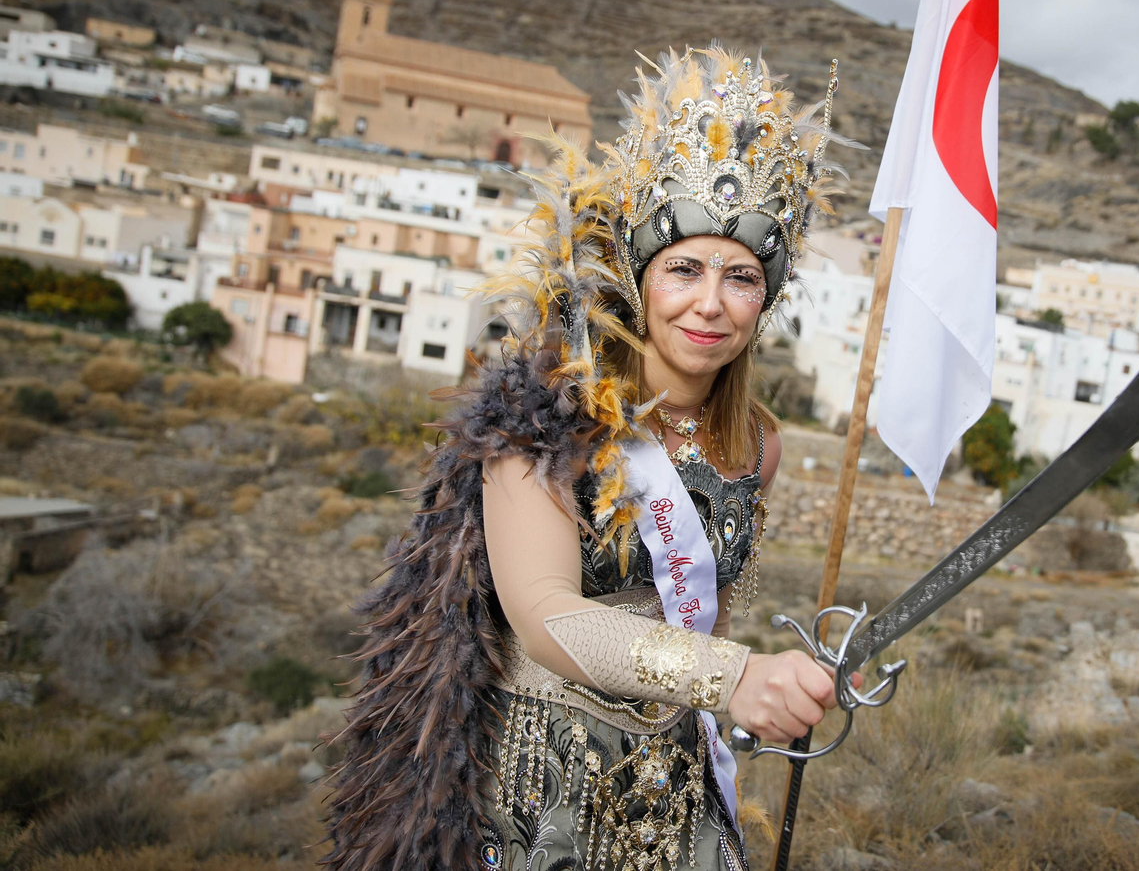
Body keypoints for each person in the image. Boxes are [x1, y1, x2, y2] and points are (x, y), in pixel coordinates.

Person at [324, 48, 849, 871]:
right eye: (683, 268)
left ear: (767, 299)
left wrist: (769, 693)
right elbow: (545, 613)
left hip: (672, 796)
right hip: (534, 792)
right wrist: (733, 675)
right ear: (639, 279)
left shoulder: (759, 444)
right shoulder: (542, 415)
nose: (710, 302)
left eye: (742, 276)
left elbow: (698, 610)